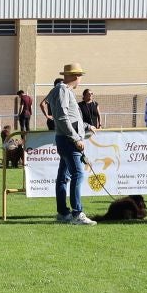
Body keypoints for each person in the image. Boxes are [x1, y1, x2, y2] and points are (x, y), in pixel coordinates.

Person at [46, 64, 93, 224]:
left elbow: (71, 117)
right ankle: (77, 213)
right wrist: (76, 138)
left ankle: (63, 213)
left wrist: (86, 126)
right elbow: (62, 117)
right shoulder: (62, 90)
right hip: (68, 140)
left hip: (65, 138)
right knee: (77, 174)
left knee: (63, 177)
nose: (80, 79)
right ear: (75, 76)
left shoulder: (63, 90)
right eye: (79, 76)